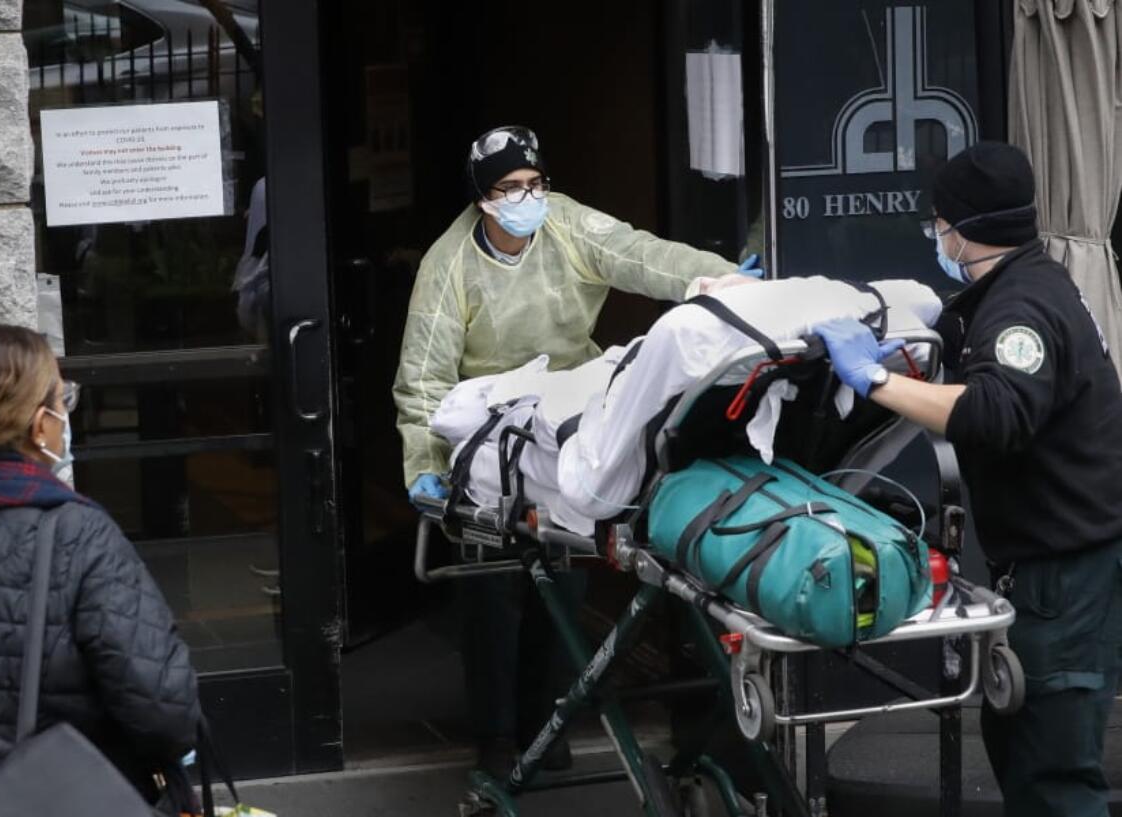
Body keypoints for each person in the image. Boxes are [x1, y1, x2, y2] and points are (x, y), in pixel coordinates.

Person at [393, 125, 750, 773]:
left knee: (559, 580)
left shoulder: (564, 226)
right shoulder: (449, 268)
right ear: (482, 199)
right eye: (511, 189)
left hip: (563, 418)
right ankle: (498, 738)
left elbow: (640, 255)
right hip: (489, 434)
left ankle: (548, 723)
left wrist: (717, 279)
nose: (527, 199)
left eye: (535, 184)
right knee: (495, 593)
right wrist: (426, 466)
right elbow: (423, 376)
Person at [814, 141, 1122, 817]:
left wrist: (875, 379)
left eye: (939, 223)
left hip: (1063, 575)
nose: (936, 235)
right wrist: (936, 339)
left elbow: (994, 411)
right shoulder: (1029, 283)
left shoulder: (1022, 311)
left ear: (964, 229)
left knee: (1054, 773)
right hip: (1049, 565)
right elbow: (981, 340)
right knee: (1016, 739)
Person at [0, 325, 201, 817]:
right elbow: (165, 713)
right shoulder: (80, 537)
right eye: (64, 400)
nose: (66, 416)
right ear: (41, 426)